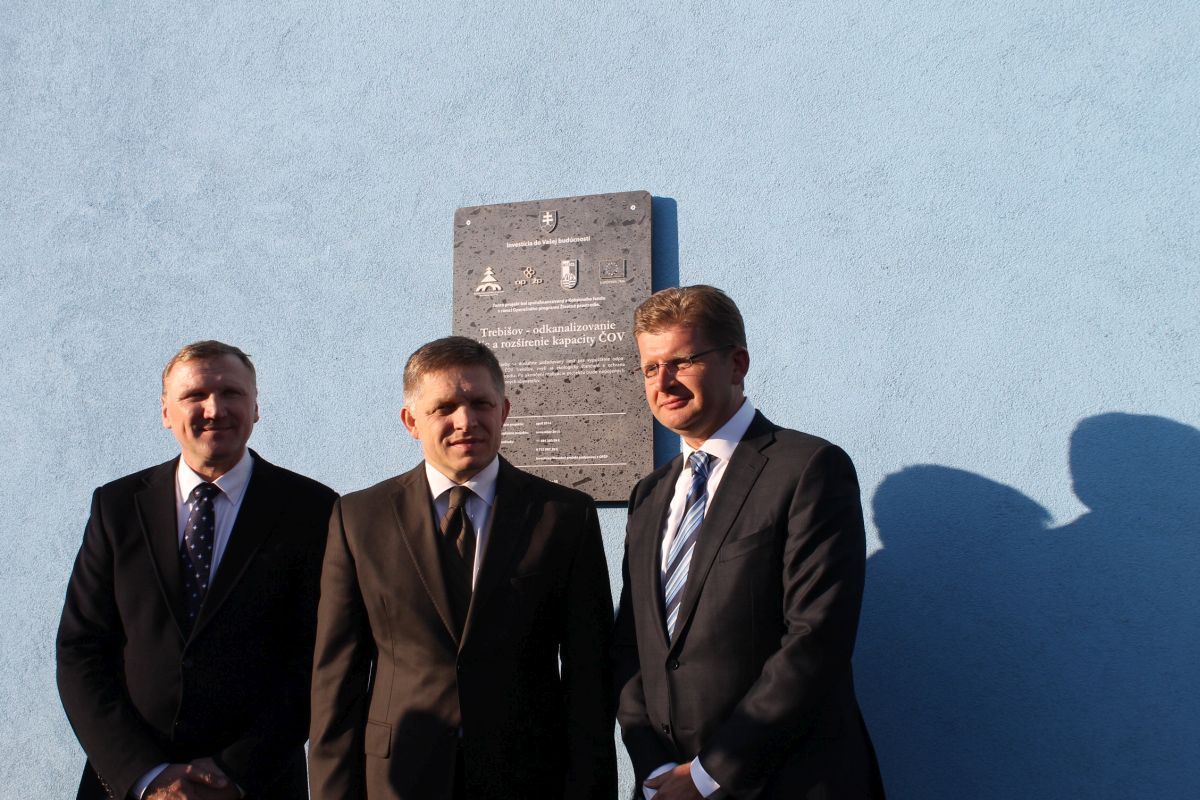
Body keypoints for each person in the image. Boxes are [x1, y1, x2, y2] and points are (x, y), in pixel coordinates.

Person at [308, 336, 616, 800]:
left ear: (504, 411)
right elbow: (337, 677)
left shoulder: (564, 516)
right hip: (398, 779)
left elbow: (589, 675)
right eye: (445, 407)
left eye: (480, 404)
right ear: (411, 421)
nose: (466, 421)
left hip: (528, 779)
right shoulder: (359, 518)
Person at [613, 286, 885, 799]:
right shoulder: (648, 495)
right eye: (650, 368)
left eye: (682, 361)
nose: (663, 382)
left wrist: (707, 774)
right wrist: (653, 766)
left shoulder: (808, 469)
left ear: (737, 364)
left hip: (788, 782)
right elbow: (631, 644)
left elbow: (815, 641)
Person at [56, 340, 338, 799]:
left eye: (231, 393)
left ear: (256, 407)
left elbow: (319, 659)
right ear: (166, 412)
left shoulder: (313, 509)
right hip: (129, 785)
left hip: (256, 785)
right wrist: (144, 774)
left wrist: (235, 772)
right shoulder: (117, 507)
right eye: (195, 395)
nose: (215, 409)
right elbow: (81, 650)